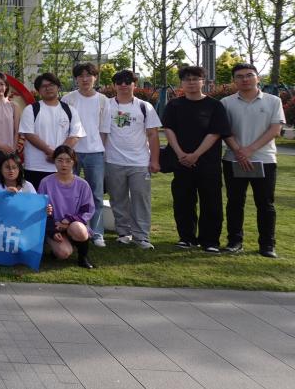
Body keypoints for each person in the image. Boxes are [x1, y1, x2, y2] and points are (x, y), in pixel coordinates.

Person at [163, 65, 231, 253]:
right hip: (181, 162)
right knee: (183, 202)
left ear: (203, 82)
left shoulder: (215, 106)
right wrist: (180, 153)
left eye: (195, 79)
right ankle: (186, 237)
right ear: (181, 83)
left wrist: (196, 155)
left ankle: (210, 241)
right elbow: (169, 130)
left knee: (211, 202)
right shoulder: (174, 105)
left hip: (208, 163)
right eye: (187, 79)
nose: (191, 83)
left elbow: (215, 133)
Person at [221, 63, 285, 258]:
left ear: (258, 77)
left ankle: (267, 245)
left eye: (249, 75)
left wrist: (249, 150)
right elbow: (224, 131)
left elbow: (275, 129)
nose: (245, 79)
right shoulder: (226, 103)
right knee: (235, 203)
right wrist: (239, 152)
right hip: (233, 160)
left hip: (264, 160)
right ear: (234, 80)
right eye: (239, 76)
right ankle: (234, 241)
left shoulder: (273, 101)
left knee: (265, 204)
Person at [100, 69, 161, 250]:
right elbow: (103, 134)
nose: (124, 85)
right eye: (119, 82)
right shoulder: (107, 105)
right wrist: (101, 159)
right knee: (117, 199)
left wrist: (154, 160)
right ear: (114, 85)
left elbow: (153, 134)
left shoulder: (144, 107)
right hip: (113, 160)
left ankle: (141, 236)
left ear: (135, 84)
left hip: (140, 162)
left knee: (140, 199)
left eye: (128, 81)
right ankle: (123, 233)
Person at [62, 62, 110, 247]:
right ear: (76, 79)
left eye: (88, 75)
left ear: (95, 77)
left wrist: (99, 147)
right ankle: (69, 229)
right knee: (69, 193)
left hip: (95, 153)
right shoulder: (68, 99)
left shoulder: (103, 100)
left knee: (96, 194)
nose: (85, 79)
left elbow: (104, 129)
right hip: (71, 153)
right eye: (81, 76)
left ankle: (97, 233)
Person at [19, 72, 84, 191]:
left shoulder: (70, 110)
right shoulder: (31, 109)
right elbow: (29, 134)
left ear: (58, 87)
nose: (48, 88)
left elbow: (75, 135)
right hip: (36, 166)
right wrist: (50, 151)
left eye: (51, 85)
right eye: (44, 86)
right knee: (36, 199)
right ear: (38, 90)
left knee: (62, 199)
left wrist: (58, 155)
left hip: (62, 167)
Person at [38, 145, 96, 269]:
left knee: (80, 231)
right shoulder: (45, 182)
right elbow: (41, 210)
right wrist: (53, 230)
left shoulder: (82, 184)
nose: (64, 164)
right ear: (54, 161)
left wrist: (69, 220)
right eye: (60, 160)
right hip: (55, 225)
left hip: (74, 224)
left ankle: (83, 257)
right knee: (63, 253)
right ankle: (56, 248)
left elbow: (87, 210)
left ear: (74, 162)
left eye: (68, 161)